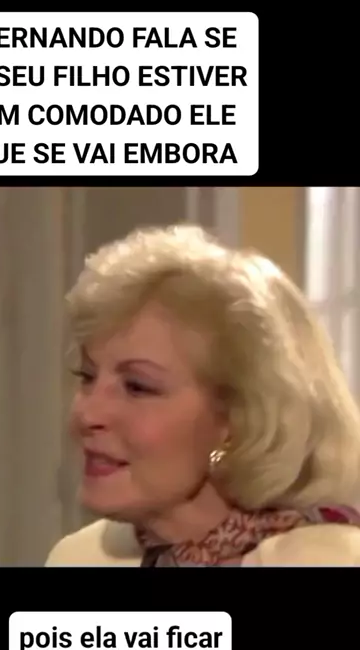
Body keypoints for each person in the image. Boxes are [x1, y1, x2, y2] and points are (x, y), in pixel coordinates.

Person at [45, 224, 360, 567]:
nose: (88, 414)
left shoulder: (327, 560)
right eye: (87, 377)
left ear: (239, 418)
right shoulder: (79, 557)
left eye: (137, 387)